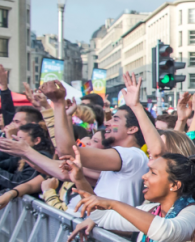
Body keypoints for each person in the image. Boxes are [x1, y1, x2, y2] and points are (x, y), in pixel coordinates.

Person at [68, 154, 195, 242]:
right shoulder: (151, 210)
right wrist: (79, 179)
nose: (144, 176)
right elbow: (103, 217)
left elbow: (166, 231)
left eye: (153, 173)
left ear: (174, 185)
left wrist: (114, 204)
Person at [42, 80, 150, 211]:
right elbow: (66, 160)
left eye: (115, 120)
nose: (108, 123)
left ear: (132, 129)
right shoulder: (120, 157)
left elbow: (68, 152)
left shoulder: (131, 155)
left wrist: (58, 103)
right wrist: (66, 117)